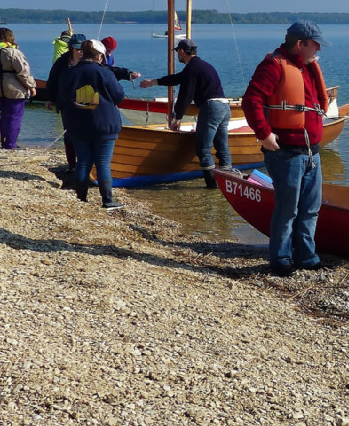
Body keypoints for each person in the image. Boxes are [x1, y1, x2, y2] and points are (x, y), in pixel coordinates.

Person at [241, 20, 330, 276]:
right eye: (315, 45)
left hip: (312, 151)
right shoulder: (274, 65)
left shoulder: (307, 68)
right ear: (300, 44)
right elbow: (251, 100)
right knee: (287, 209)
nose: (318, 50)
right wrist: (264, 134)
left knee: (311, 208)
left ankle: (307, 257)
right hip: (286, 152)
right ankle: (280, 260)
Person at [139, 38, 230, 188]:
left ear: (182, 51)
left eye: (177, 52)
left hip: (211, 108)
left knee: (203, 149)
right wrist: (153, 82)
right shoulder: (201, 66)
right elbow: (177, 79)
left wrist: (178, 117)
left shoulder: (192, 69)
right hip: (224, 107)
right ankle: (228, 184)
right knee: (222, 147)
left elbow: (185, 95)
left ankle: (212, 185)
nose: (177, 56)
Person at [57, 39, 126, 209]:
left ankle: (81, 198)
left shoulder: (69, 73)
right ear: (99, 56)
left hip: (78, 124)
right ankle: (107, 200)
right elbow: (119, 96)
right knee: (102, 162)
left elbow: (62, 99)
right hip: (104, 124)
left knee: (83, 161)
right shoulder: (105, 73)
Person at [0, 27, 37, 149]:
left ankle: (4, 142)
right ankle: (10, 144)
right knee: (14, 116)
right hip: (14, 87)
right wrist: (31, 86)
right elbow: (23, 72)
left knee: (4, 115)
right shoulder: (14, 52)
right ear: (11, 37)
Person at [46, 33, 87, 184]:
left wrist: (127, 74)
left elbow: (107, 72)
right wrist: (49, 98)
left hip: (87, 102)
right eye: (77, 49)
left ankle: (84, 164)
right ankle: (72, 165)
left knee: (85, 134)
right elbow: (52, 79)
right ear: (71, 48)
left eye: (83, 48)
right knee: (69, 134)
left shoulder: (91, 61)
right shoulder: (62, 62)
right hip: (67, 102)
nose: (80, 52)